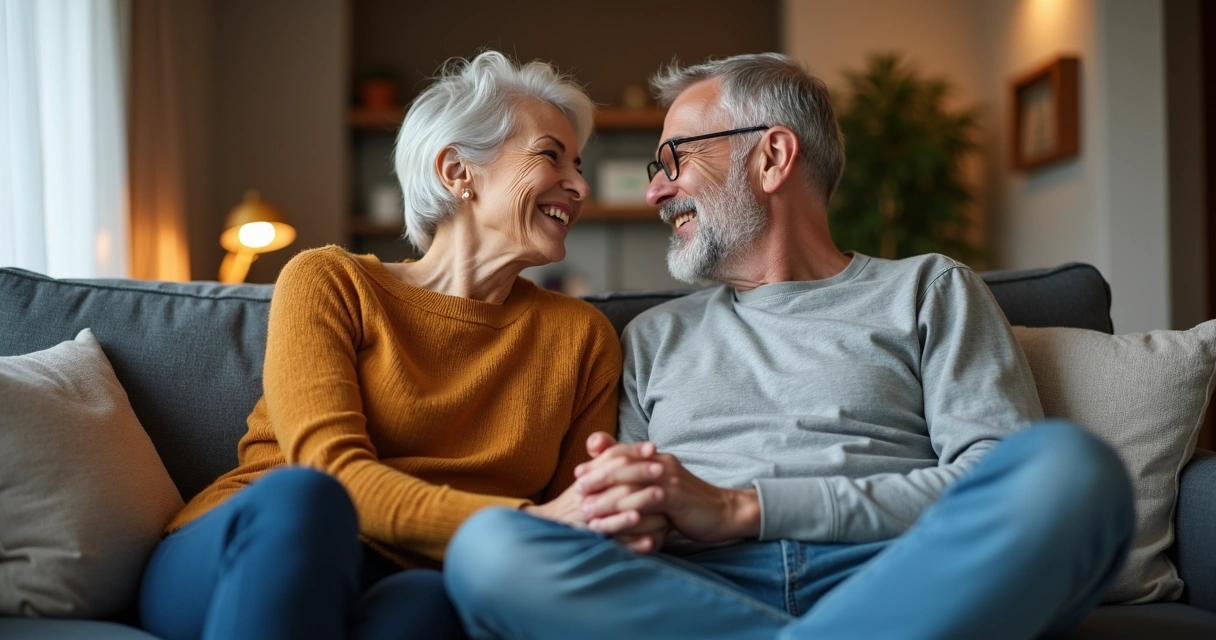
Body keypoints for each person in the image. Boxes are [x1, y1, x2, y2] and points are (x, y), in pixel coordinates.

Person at [443, 53, 1136, 640]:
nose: (656, 188)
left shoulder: (929, 289)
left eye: (674, 158)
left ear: (772, 156)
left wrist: (744, 507)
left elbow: (989, 477)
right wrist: (631, 507)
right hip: (695, 589)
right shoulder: (651, 337)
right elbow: (623, 518)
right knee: (489, 549)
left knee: (1069, 470)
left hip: (895, 575)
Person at [138, 51, 639, 640]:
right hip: (252, 547)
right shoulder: (332, 281)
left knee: (428, 606)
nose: (579, 185)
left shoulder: (581, 339)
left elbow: (576, 523)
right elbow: (330, 469)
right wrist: (524, 520)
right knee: (306, 497)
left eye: (579, 165)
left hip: (416, 574)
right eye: (551, 157)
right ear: (457, 171)